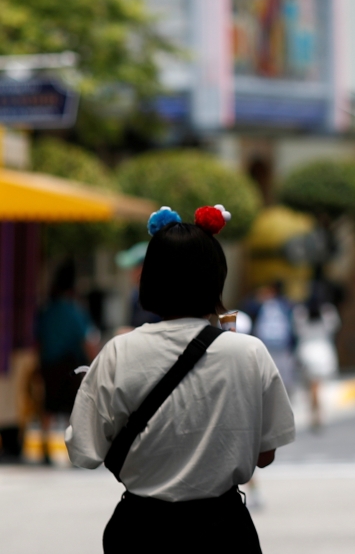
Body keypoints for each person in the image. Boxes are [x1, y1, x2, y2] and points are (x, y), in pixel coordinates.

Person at [66, 205, 295, 553]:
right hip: (223, 532)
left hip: (141, 531)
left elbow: (84, 451)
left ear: (150, 280)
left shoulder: (118, 352)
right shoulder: (249, 353)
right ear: (217, 277)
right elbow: (265, 455)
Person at [35, 261, 97, 460]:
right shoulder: (74, 310)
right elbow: (87, 340)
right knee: (73, 407)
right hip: (69, 365)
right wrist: (96, 365)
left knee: (49, 405)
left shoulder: (46, 310)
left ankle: (45, 448)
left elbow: (38, 339)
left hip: (48, 364)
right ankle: (73, 450)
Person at [293, 278, 341, 430]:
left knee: (310, 385)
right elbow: (335, 328)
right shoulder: (328, 311)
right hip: (323, 351)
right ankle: (317, 413)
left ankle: (314, 413)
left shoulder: (300, 311)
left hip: (305, 350)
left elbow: (296, 331)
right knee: (319, 385)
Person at [248, 281, 298, 389]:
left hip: (266, 344)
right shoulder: (287, 304)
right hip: (282, 345)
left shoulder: (264, 303)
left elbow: (248, 309)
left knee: (267, 374)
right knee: (283, 376)